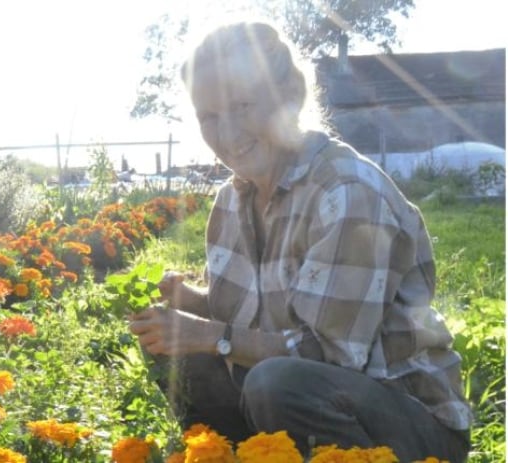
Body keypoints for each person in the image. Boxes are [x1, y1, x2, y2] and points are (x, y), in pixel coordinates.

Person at [128, 21, 471, 462]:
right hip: (311, 395)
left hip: (407, 423)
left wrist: (209, 334)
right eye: (208, 117)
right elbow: (259, 314)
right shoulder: (232, 201)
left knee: (276, 383)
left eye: (243, 106)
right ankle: (240, 454)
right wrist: (192, 304)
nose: (227, 134)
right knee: (170, 345)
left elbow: (328, 357)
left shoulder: (346, 192)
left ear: (291, 96)